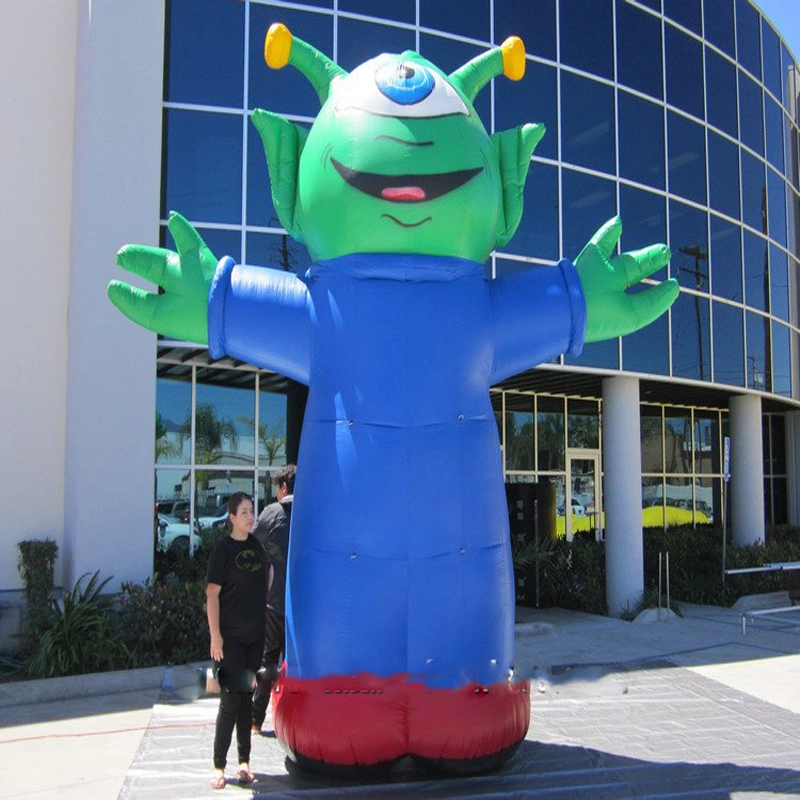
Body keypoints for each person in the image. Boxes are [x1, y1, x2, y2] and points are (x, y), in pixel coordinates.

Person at [206, 492, 269, 790]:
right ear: (231, 518)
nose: (249, 516)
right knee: (231, 700)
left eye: (251, 511)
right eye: (244, 512)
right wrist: (215, 635)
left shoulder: (256, 546)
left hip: (254, 638)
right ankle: (220, 765)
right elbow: (212, 594)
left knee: (246, 699)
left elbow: (267, 574)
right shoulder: (223, 550)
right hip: (230, 639)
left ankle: (244, 762)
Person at [251, 464, 295, 733]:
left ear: (283, 488)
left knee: (268, 661)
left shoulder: (273, 513)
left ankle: (256, 720)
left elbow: (252, 542)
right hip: (304, 604)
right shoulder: (310, 513)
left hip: (275, 600)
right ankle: (294, 719)